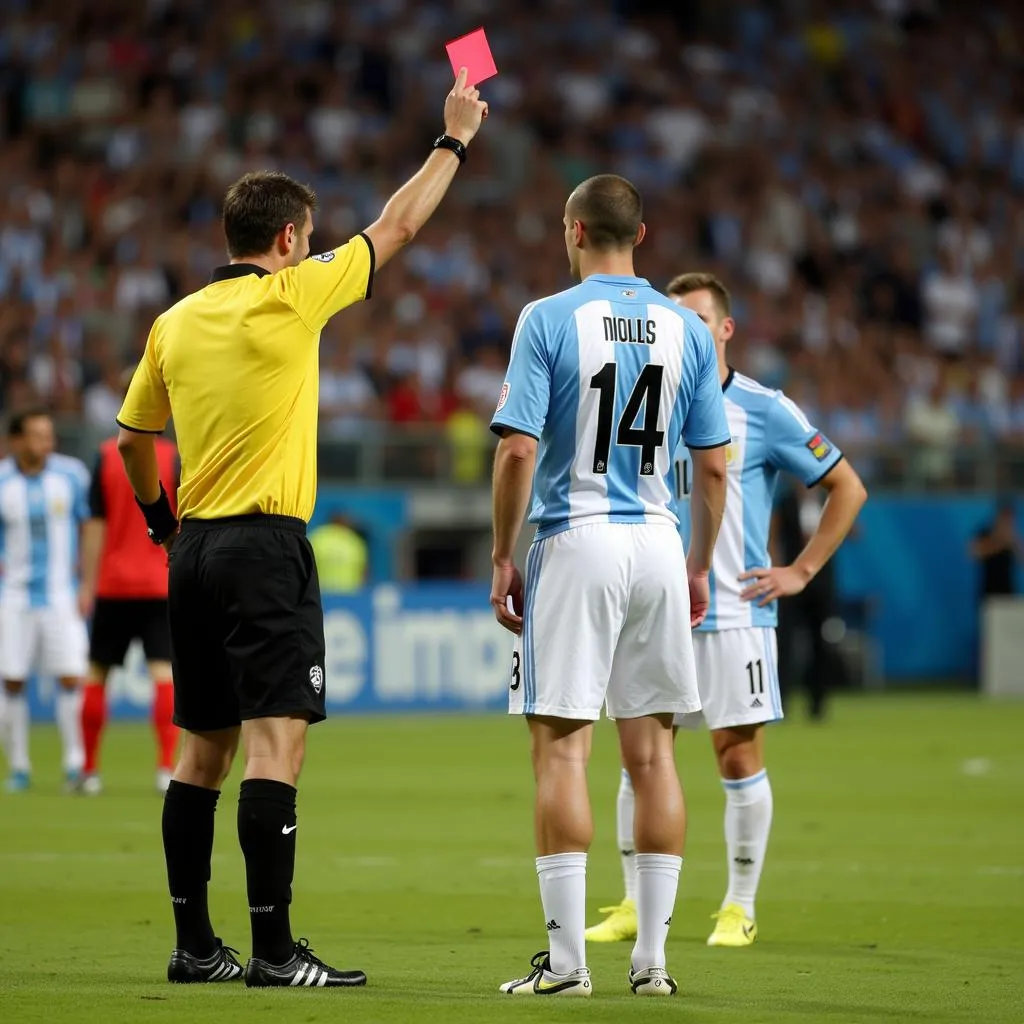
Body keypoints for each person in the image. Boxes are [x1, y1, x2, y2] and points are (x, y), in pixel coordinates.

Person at [114, 70, 487, 989]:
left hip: (194, 550)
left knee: (202, 751)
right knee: (277, 747)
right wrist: (454, 139)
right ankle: (274, 952)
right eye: (309, 238)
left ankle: (195, 945)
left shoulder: (173, 321)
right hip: (263, 548)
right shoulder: (292, 294)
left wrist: (165, 525)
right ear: (288, 240)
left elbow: (130, 442)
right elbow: (398, 227)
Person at [489, 176, 730, 997]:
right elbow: (713, 465)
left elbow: (518, 450)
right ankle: (653, 963)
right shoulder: (687, 328)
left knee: (562, 750)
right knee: (655, 754)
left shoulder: (548, 318)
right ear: (643, 234)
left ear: (575, 229)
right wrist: (698, 563)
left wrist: (500, 554)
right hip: (660, 543)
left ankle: (566, 966)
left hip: (576, 536)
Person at [585, 272, 867, 949]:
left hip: (734, 615)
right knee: (639, 761)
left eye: (697, 319)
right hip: (653, 608)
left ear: (725, 328)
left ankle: (739, 906)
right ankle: (631, 901)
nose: (684, 329)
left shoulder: (763, 408)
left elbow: (846, 486)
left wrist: (801, 570)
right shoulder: (646, 400)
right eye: (674, 319)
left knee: (736, 757)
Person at [77, 414, 181, 795]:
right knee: (163, 675)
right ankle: (165, 769)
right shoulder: (172, 458)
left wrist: (88, 584)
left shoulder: (106, 456)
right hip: (159, 583)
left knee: (96, 674)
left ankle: (88, 772)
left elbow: (95, 526)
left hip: (112, 584)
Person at [0, 409, 91, 793]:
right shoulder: (2, 481)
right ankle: (19, 767)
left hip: (60, 594)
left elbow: (89, 526)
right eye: (37, 435)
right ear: (17, 440)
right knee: (13, 681)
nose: (46, 442)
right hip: (15, 596)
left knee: (71, 675)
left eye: (49, 434)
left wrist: (86, 583)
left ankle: (75, 762)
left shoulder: (71, 475)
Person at [308, 512, 368, 594]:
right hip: (349, 594)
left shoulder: (317, 537)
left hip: (321, 593)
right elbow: (363, 572)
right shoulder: (355, 541)